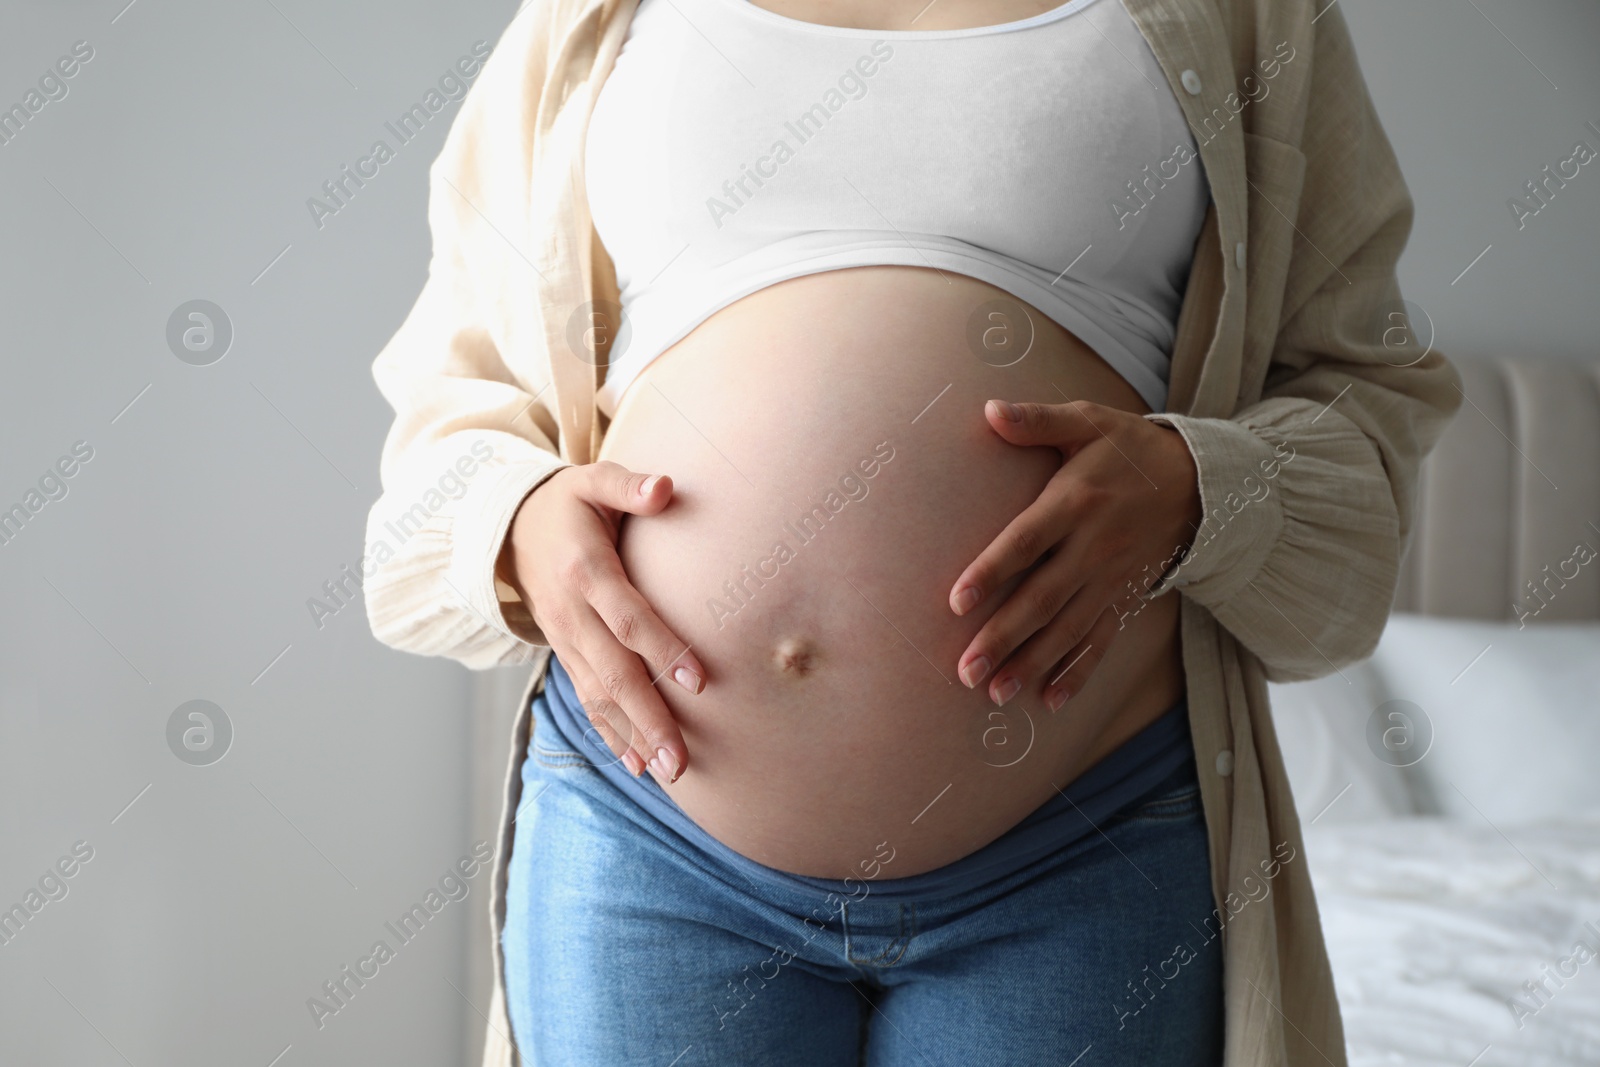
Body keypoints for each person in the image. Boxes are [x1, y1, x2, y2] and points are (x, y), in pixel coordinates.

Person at [361, 0, 1462, 1064]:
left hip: (1080, 842)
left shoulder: (1246, 15)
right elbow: (452, 396)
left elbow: (1362, 395)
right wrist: (517, 519)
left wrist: (1198, 480)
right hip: (648, 844)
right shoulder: (584, 21)